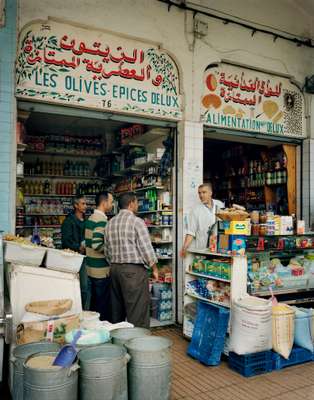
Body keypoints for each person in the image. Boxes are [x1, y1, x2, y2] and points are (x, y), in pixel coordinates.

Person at [104, 193, 158, 328]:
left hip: (115, 270)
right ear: (131, 203)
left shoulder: (110, 223)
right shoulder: (136, 222)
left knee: (117, 311)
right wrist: (154, 268)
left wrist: (114, 265)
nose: (137, 205)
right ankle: (138, 344)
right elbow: (146, 248)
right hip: (133, 272)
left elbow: (107, 251)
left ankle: (118, 342)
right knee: (137, 312)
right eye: (137, 202)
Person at [85, 191, 113, 321]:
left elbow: (88, 243)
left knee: (94, 305)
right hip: (100, 271)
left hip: (90, 268)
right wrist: (110, 251)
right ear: (104, 202)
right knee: (102, 307)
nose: (112, 204)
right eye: (111, 202)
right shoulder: (101, 220)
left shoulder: (91, 218)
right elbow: (96, 244)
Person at [180, 183, 224, 257]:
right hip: (203, 248)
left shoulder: (219, 205)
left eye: (204, 192)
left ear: (211, 193)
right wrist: (184, 248)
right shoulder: (195, 210)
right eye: (199, 193)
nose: (201, 195)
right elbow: (191, 232)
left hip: (220, 247)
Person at [61, 195, 89, 309]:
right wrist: (79, 247)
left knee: (86, 287)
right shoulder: (69, 221)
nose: (85, 206)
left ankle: (84, 310)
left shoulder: (86, 221)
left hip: (86, 257)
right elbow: (66, 241)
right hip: (74, 258)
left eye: (85, 203)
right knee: (81, 287)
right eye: (82, 203)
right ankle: (77, 309)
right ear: (75, 205)